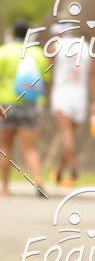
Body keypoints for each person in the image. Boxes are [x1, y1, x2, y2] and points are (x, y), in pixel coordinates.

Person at [0, 19, 51, 197]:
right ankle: (38, 180)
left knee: (5, 146)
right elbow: (45, 79)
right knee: (30, 148)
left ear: (12, 34)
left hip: (6, 105)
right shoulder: (37, 53)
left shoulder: (3, 52)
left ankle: (5, 188)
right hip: (31, 106)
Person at [47, 22, 95, 187]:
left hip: (63, 93)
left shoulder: (56, 46)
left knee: (65, 135)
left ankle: (74, 171)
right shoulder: (84, 46)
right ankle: (59, 172)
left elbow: (47, 67)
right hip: (80, 96)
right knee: (69, 135)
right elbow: (92, 76)